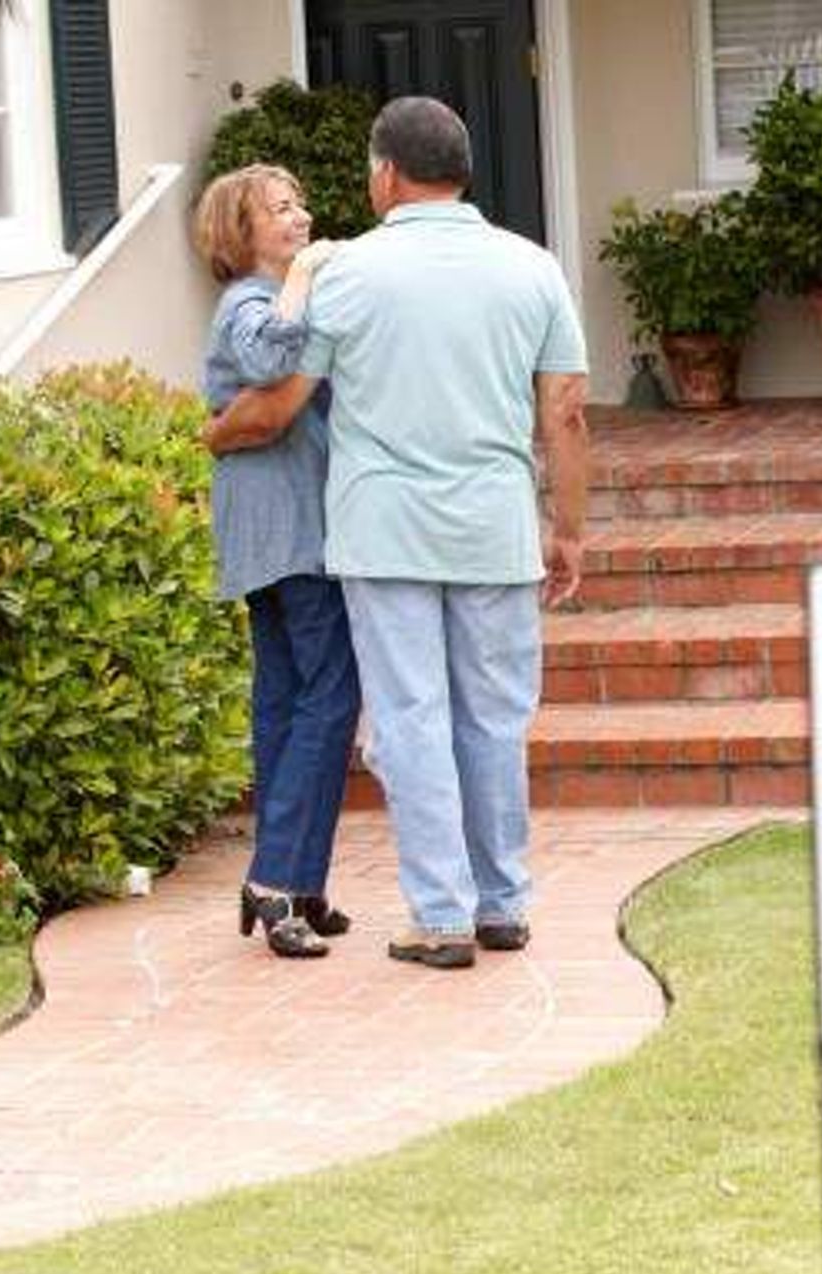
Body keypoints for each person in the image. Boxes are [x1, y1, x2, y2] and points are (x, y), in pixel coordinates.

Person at [206, 97, 590, 971]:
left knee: (412, 719)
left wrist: (214, 434)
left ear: (386, 174)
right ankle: (502, 905)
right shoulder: (532, 266)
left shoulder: (348, 274)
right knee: (495, 719)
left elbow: (281, 403)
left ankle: (441, 917)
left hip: (383, 534)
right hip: (495, 527)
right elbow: (566, 411)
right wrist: (568, 528)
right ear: (461, 171)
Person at [192, 164, 361, 960]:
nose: (300, 217)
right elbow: (265, 363)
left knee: (288, 700)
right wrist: (305, 274)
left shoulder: (274, 297)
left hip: (272, 523)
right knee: (330, 695)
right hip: (287, 525)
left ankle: (296, 882)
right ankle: (276, 879)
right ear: (242, 232)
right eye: (280, 209)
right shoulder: (249, 302)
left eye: (300, 204)